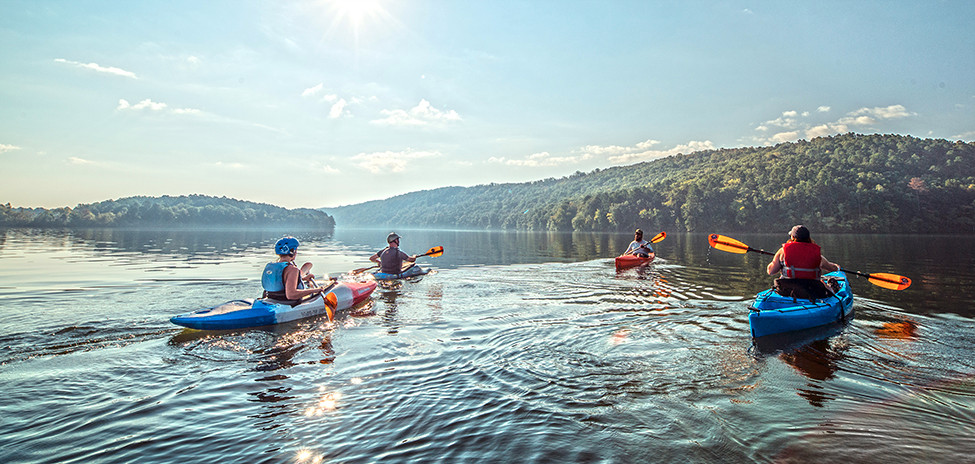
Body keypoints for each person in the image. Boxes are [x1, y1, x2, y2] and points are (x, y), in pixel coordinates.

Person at [766, 225, 841, 299]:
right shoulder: (816, 253)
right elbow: (831, 268)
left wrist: (776, 259)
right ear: (808, 238)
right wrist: (836, 267)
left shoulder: (782, 251)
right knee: (826, 286)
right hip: (812, 291)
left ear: (792, 237)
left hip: (787, 291)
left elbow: (771, 271)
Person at [261, 237, 325, 302]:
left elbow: (281, 281)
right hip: (287, 303)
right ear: (292, 251)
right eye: (296, 250)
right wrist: (316, 290)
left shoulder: (271, 266)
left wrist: (302, 278)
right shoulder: (292, 269)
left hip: (271, 299)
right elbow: (291, 295)